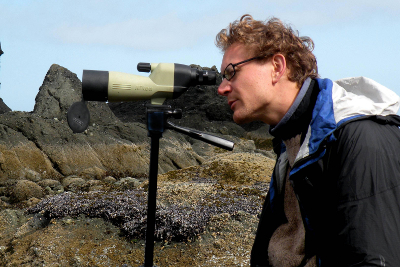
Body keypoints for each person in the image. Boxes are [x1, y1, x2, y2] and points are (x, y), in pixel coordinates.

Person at [215, 14, 400, 267]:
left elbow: (373, 258)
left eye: (231, 72)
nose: (222, 88)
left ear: (277, 66)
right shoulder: (291, 141)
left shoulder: (360, 138)